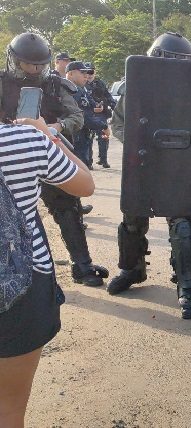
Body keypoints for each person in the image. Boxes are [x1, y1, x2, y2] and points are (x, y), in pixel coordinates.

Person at [0, 115, 94, 428]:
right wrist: (48, 135)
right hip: (20, 288)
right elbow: (84, 183)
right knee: (9, 411)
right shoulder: (24, 140)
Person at [107, 32, 191, 319]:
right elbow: (118, 123)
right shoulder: (136, 85)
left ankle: (186, 283)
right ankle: (131, 268)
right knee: (133, 218)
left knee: (183, 222)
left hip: (180, 164)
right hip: (144, 163)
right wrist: (140, 143)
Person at [1, 32, 107, 287]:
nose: (35, 69)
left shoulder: (57, 85)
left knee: (68, 208)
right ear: (14, 61)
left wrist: (53, 129)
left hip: (49, 151)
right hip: (11, 160)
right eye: (29, 64)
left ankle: (82, 266)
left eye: (39, 64)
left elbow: (76, 117)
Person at [85, 68, 116, 169]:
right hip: (89, 114)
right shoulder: (81, 83)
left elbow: (107, 95)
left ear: (95, 73)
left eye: (91, 72)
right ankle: (88, 162)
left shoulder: (100, 83)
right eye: (87, 72)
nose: (89, 75)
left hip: (101, 114)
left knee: (103, 137)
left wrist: (113, 105)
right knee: (88, 138)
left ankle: (103, 159)